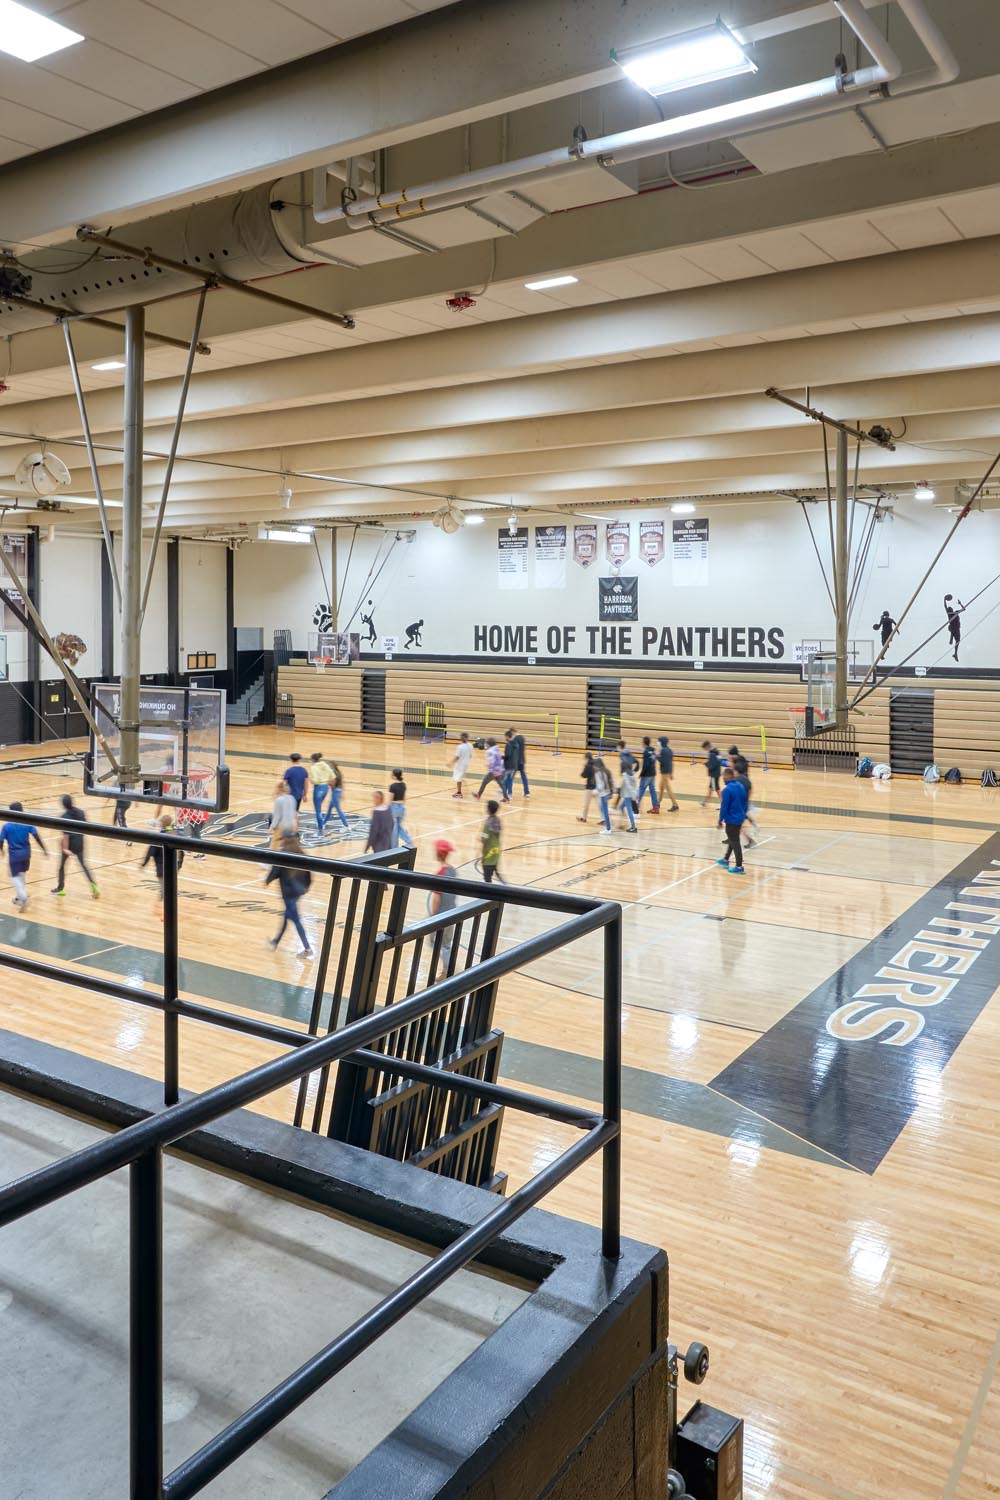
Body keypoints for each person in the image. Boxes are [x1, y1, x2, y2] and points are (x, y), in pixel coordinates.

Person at [266, 833, 313, 956]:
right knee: (286, 918)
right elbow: (308, 873)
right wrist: (307, 886)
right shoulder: (301, 853)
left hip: (288, 894)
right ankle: (275, 942)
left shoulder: (283, 856)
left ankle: (307, 948)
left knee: (296, 920)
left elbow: (275, 871)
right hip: (298, 892)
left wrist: (268, 880)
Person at [52, 793, 99, 898]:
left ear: (63, 805)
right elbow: (86, 827)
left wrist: (65, 849)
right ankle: (94, 886)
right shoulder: (81, 813)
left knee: (62, 867)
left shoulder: (64, 817)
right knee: (84, 865)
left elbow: (66, 835)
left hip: (70, 844)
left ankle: (60, 889)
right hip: (80, 842)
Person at [0, 803, 47, 909]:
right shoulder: (27, 823)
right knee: (22, 873)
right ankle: (19, 898)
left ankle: (24, 898)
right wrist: (44, 849)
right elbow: (36, 836)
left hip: (15, 854)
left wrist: (1, 850)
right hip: (26, 853)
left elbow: (1, 840)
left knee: (14, 876)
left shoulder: (7, 826)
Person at [140, 813, 185, 914]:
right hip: (173, 868)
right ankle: (161, 907)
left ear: (161, 824)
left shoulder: (158, 837)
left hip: (162, 870)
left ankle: (165, 911)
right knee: (167, 889)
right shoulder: (176, 834)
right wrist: (180, 864)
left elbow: (149, 852)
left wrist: (143, 864)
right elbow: (181, 852)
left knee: (166, 891)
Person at [428, 838, 458, 970]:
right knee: (446, 943)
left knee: (433, 942)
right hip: (452, 911)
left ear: (439, 854)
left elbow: (436, 899)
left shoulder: (440, 874)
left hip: (441, 914)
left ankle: (448, 969)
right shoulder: (453, 870)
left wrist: (433, 916)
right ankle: (448, 967)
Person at [717, 767, 749, 875]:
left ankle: (739, 866)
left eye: (723, 776)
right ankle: (725, 859)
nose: (722, 778)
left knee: (735, 841)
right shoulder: (741, 786)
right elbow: (745, 802)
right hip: (740, 818)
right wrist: (744, 815)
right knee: (733, 838)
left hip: (731, 819)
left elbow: (724, 806)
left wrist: (720, 820)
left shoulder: (727, 790)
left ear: (727, 776)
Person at [729, 746, 760, 847]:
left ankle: (749, 840)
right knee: (743, 815)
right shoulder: (742, 763)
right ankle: (753, 824)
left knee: (737, 824)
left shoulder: (738, 765)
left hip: (740, 799)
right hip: (744, 795)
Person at [388, 770, 414, 849]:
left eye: (392, 774)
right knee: (399, 826)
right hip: (402, 807)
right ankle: (408, 839)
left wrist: (388, 809)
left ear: (395, 776)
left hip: (394, 807)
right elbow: (404, 798)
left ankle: (394, 846)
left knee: (394, 829)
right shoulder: (403, 785)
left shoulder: (392, 786)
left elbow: (390, 799)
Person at [269, 778, 298, 848]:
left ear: (279, 789)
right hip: (292, 825)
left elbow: (277, 816)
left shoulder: (279, 800)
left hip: (282, 826)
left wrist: (272, 827)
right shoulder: (292, 798)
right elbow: (295, 814)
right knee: (291, 846)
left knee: (274, 847)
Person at [480, 799, 504, 882]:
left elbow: (484, 840)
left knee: (487, 879)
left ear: (489, 809)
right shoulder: (498, 821)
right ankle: (505, 886)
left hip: (489, 853)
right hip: (496, 851)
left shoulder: (487, 824)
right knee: (496, 871)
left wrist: (483, 856)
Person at [637, 736, 661, 813]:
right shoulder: (653, 750)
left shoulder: (646, 752)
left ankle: (635, 806)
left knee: (641, 789)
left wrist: (641, 773)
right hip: (652, 773)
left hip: (646, 774)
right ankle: (656, 807)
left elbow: (646, 765)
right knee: (652, 791)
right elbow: (654, 761)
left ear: (644, 743)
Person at [657, 736, 680, 812]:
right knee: (661, 787)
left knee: (668, 789)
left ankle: (675, 804)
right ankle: (657, 803)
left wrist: (656, 756)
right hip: (666, 772)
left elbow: (663, 761)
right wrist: (671, 772)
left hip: (664, 772)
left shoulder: (663, 751)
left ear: (662, 742)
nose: (658, 743)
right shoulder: (669, 750)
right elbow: (671, 762)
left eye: (659, 741)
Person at [594, 755, 615, 833]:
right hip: (608, 793)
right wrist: (612, 790)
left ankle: (608, 829)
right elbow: (613, 781)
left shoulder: (598, 773)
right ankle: (608, 827)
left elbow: (600, 786)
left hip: (603, 794)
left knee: (604, 810)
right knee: (604, 809)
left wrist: (595, 791)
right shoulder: (607, 770)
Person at [618, 759, 638, 832]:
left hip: (628, 795)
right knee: (621, 807)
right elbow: (635, 785)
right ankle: (624, 821)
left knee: (629, 811)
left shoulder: (625, 775)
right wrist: (635, 793)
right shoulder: (633, 773)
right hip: (631, 794)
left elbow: (628, 785)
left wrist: (633, 795)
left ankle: (633, 827)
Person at [451, 732, 473, 798]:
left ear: (461, 738)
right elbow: (470, 756)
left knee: (458, 779)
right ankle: (460, 790)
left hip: (460, 765)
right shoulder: (470, 745)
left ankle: (459, 793)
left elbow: (457, 757)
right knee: (460, 777)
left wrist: (450, 763)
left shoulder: (460, 747)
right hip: (466, 764)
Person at [701, 741, 722, 806]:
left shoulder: (712, 754)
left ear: (707, 747)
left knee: (717, 788)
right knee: (711, 788)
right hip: (717, 772)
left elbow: (712, 766)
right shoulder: (717, 751)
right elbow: (718, 761)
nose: (705, 750)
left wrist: (706, 763)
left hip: (714, 774)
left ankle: (723, 803)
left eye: (704, 749)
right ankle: (705, 802)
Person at [578, 751, 597, 822]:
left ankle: (584, 818)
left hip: (589, 787)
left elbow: (583, 775)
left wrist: (584, 767)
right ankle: (603, 819)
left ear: (586, 758)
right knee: (599, 805)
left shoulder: (588, 765)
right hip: (597, 787)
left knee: (586, 804)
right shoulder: (596, 763)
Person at [945, 594, 964, 661]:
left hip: (956, 629)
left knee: (958, 641)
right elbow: (945, 607)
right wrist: (944, 600)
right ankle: (951, 639)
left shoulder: (955, 612)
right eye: (949, 609)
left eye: (950, 608)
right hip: (952, 628)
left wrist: (960, 603)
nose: (949, 609)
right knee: (952, 628)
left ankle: (955, 653)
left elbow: (963, 609)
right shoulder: (949, 615)